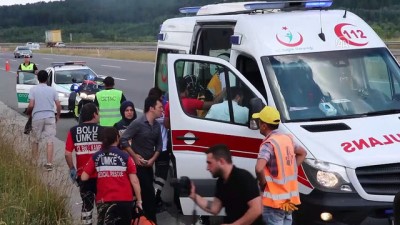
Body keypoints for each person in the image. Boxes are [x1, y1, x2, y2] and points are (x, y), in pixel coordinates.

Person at [253, 106, 307, 225]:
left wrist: (263, 185)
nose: (258, 124)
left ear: (264, 126)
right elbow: (303, 153)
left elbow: (259, 168)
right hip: (289, 199)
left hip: (274, 202)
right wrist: (292, 168)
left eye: (259, 121)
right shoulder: (287, 139)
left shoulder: (268, 144)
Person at [189, 144, 264, 225]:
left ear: (221, 161)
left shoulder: (243, 177)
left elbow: (257, 209)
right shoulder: (221, 182)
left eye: (209, 163)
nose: (207, 168)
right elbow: (214, 208)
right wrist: (194, 196)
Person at [81, 127, 142, 225]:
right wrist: (139, 201)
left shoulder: (96, 156)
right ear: (117, 138)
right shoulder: (126, 156)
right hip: (124, 200)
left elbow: (84, 177)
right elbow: (135, 181)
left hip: (104, 200)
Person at [120, 96, 163, 223]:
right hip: (138, 168)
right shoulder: (138, 123)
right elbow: (123, 140)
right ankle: (149, 221)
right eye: (160, 107)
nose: (162, 110)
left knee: (147, 196)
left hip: (149, 167)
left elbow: (159, 145)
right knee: (149, 196)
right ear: (151, 108)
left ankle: (144, 220)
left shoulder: (156, 126)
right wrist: (134, 155)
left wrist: (153, 159)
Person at [65, 103, 103, 225]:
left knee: (87, 205)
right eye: (98, 112)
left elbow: (67, 154)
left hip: (83, 176)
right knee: (102, 204)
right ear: (94, 115)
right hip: (100, 176)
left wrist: (72, 169)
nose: (99, 115)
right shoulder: (102, 130)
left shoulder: (73, 131)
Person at [26, 70, 61, 170]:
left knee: (35, 140)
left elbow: (31, 105)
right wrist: (58, 115)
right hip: (50, 116)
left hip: (37, 117)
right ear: (47, 79)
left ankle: (34, 162)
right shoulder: (52, 90)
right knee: (50, 140)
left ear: (38, 78)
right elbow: (58, 105)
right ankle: (49, 164)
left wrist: (29, 113)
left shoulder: (33, 89)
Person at [148, 87, 169, 212]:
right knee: (161, 176)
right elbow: (167, 122)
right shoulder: (160, 112)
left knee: (155, 177)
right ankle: (154, 200)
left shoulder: (149, 111)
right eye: (161, 98)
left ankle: (157, 199)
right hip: (162, 149)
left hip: (150, 148)